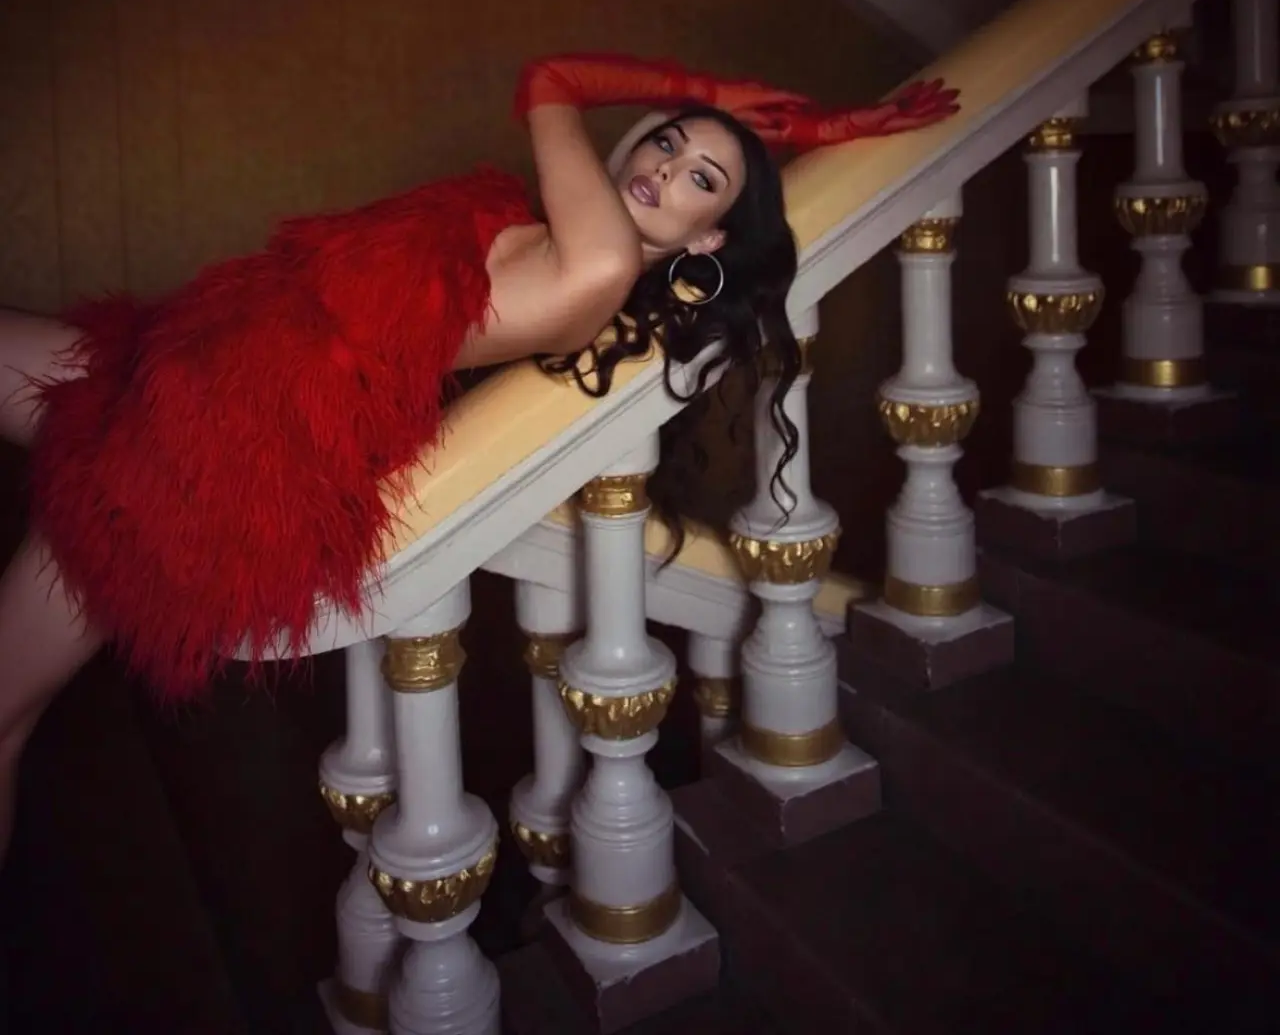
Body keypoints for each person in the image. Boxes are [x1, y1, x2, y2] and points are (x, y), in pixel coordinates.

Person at [0, 53, 958, 856]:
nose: (666, 169)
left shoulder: (596, 264)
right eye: (669, 141)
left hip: (201, 448)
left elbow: (549, 77)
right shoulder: (559, 230)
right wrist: (792, 125)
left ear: (706, 238)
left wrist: (713, 94)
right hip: (184, 362)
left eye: (701, 180)